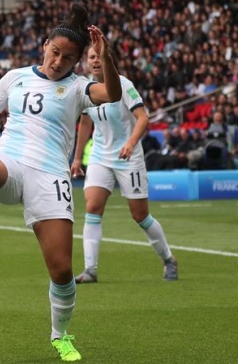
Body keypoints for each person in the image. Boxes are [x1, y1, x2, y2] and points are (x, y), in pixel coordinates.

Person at [0, 4, 122, 362]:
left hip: (49, 177)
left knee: (62, 270)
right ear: (44, 45)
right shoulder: (15, 77)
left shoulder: (79, 87)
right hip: (10, 161)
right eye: (55, 51)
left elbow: (113, 95)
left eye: (68, 57)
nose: (58, 60)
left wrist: (106, 57)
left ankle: (60, 335)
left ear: (77, 61)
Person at [70, 47, 178, 285]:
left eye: (99, 56)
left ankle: (169, 259)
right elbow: (85, 125)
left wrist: (130, 143)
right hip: (100, 156)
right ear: (86, 62)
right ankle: (90, 270)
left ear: (109, 59)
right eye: (91, 57)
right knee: (93, 206)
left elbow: (143, 118)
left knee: (140, 215)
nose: (95, 61)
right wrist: (77, 158)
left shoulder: (123, 84)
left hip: (128, 158)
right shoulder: (87, 88)